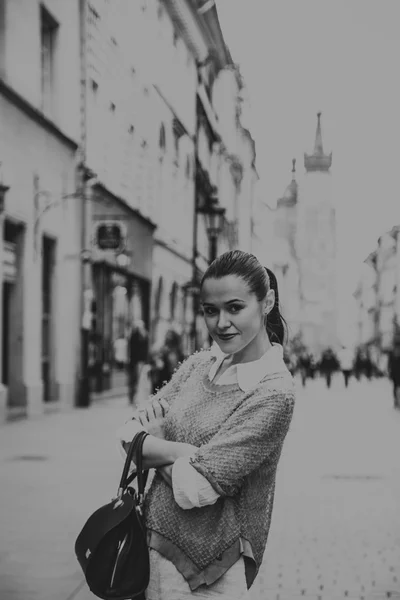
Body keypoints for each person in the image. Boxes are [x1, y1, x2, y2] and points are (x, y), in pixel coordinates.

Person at [116, 250, 295, 600]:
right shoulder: (200, 365)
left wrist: (154, 441)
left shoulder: (273, 393)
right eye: (210, 310)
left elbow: (194, 489)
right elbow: (126, 434)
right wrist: (184, 451)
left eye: (235, 307)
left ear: (267, 302)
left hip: (215, 571)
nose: (221, 323)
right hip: (152, 550)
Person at [150, 329, 185, 394]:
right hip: (165, 380)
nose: (169, 338)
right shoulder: (164, 351)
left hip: (171, 380)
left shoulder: (178, 352)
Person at [128, 320, 149, 405]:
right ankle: (134, 397)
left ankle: (135, 397)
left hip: (138, 361)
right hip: (137, 361)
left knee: (137, 379)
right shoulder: (137, 335)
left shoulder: (139, 335)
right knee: (136, 380)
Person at [388, 332, 400, 409]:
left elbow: (390, 363)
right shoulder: (392, 351)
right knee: (396, 387)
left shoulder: (392, 351)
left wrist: (389, 371)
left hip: (394, 372)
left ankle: (396, 401)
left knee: (395, 387)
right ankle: (396, 401)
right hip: (396, 371)